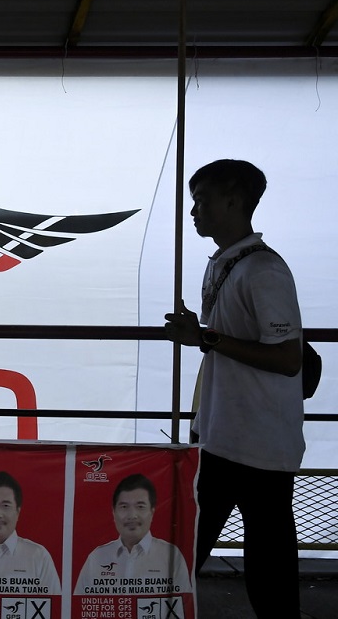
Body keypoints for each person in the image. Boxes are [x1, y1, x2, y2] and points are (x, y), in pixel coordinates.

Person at [164, 159, 303, 617]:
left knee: (263, 561)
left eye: (202, 201)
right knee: (186, 546)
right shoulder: (226, 263)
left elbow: (287, 358)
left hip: (259, 445)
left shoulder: (263, 271)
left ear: (234, 201)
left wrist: (204, 337)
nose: (194, 212)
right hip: (222, 437)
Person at [75, 474, 191, 595]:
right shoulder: (97, 558)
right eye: (124, 507)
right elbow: (78, 608)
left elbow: (181, 608)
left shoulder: (171, 556)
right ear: (113, 513)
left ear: (152, 512)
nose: (132, 515)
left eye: (140, 506)